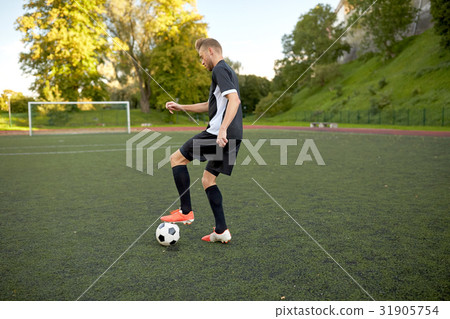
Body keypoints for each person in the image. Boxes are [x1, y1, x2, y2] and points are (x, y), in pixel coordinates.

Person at [160, 38, 243, 244]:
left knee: (177, 159)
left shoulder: (219, 70)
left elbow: (235, 100)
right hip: (233, 136)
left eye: (201, 57)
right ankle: (221, 230)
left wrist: (222, 129)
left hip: (218, 135)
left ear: (211, 51)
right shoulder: (229, 72)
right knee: (208, 180)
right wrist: (182, 107)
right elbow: (211, 105)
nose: (201, 62)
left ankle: (186, 211)